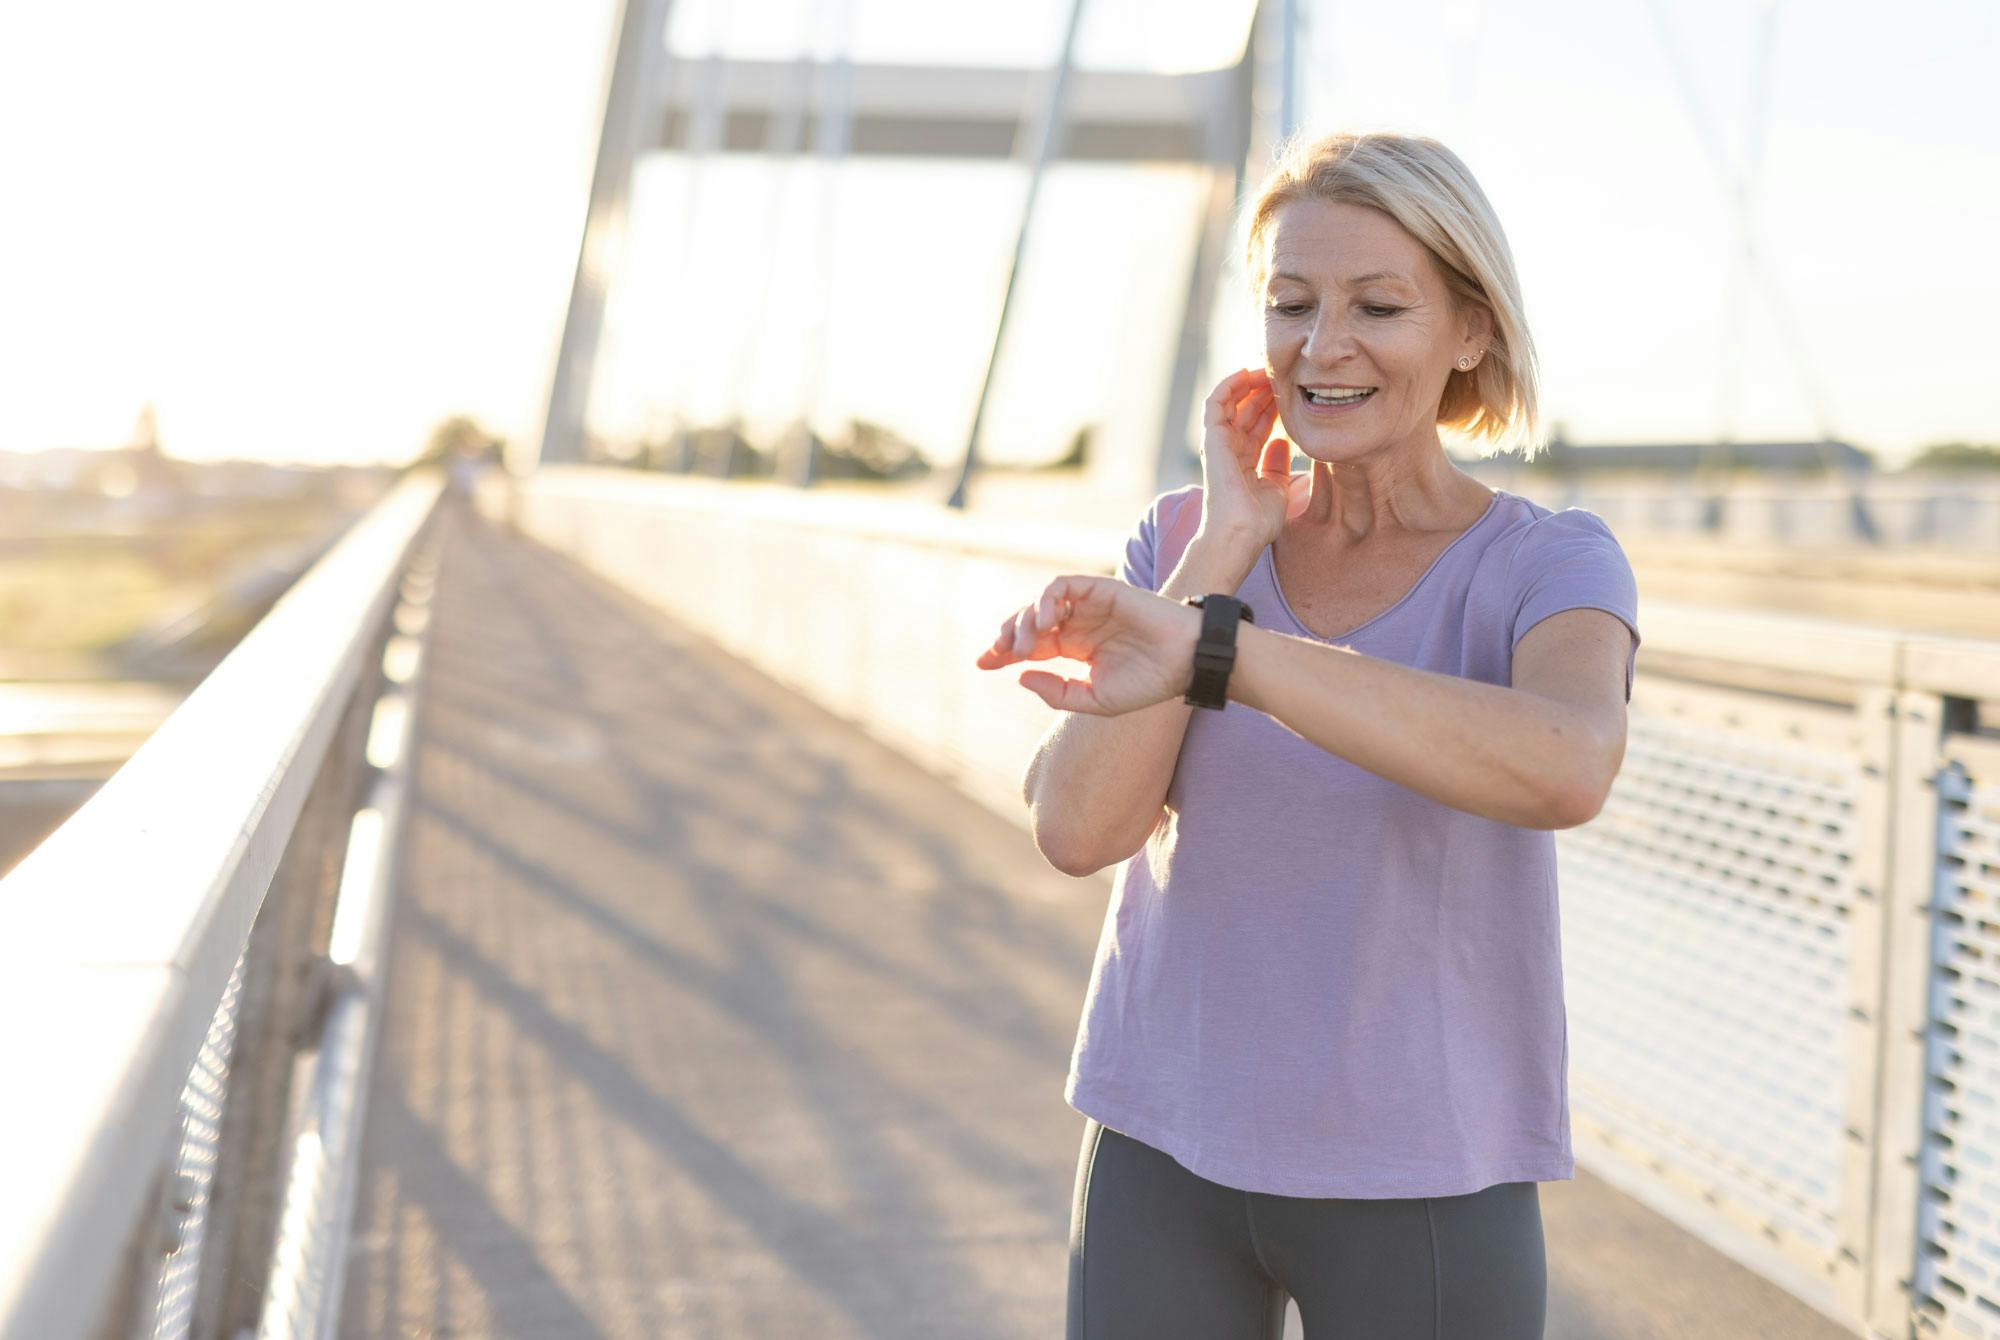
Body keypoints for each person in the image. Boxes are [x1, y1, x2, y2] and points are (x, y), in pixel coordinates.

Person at [973, 130, 1641, 1339]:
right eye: (1289, 303)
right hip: (1158, 1147)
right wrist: (1223, 547)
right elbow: (1076, 829)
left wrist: (1218, 654)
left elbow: (1562, 762)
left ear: (1469, 330)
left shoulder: (1550, 562)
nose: (1321, 347)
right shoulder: (1183, 538)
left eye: (1377, 305)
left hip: (1422, 1178)